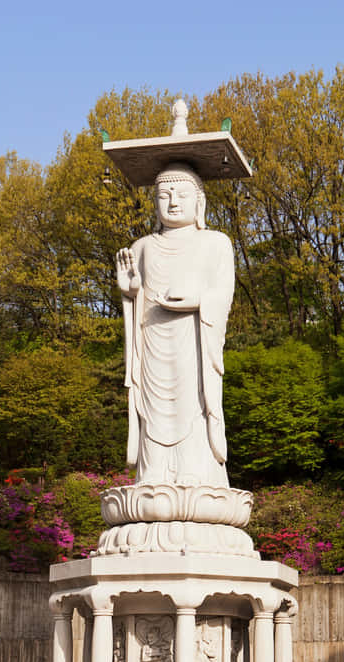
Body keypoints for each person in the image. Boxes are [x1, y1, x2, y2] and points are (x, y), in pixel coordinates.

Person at [116, 163, 234, 487]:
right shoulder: (142, 247)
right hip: (152, 340)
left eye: (182, 195)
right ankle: (154, 473)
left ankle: (193, 471)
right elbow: (133, 294)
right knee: (151, 405)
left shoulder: (215, 242)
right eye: (164, 195)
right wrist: (130, 290)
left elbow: (224, 291)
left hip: (193, 339)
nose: (172, 203)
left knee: (192, 402)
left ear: (200, 202)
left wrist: (199, 300)